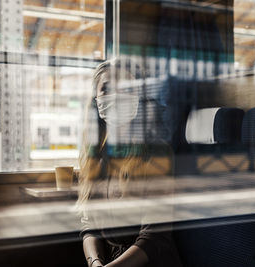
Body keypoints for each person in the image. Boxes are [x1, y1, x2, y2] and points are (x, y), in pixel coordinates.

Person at [76, 59, 183, 267]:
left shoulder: (157, 152)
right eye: (106, 89)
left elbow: (154, 238)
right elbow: (89, 226)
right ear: (96, 100)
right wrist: (95, 262)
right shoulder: (95, 154)